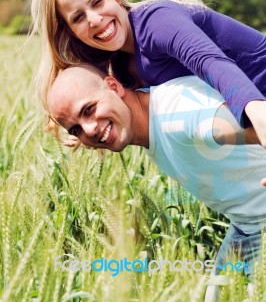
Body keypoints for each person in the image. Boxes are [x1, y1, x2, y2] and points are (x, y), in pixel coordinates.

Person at [47, 64, 266, 284]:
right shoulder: (146, 117)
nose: (89, 130)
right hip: (245, 224)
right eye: (76, 129)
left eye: (88, 110)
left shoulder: (179, 115)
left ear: (113, 87)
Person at [30, 0, 266, 148]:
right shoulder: (120, 67)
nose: (94, 19)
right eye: (78, 18)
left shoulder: (156, 22)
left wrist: (255, 109)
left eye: (97, 2)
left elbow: (210, 62)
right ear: (71, 32)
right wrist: (82, 127)